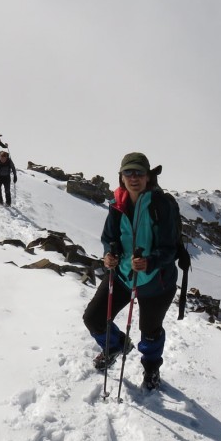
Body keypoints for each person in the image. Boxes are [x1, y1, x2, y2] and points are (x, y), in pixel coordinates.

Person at [82, 152, 179, 391]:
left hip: (157, 282)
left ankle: (151, 368)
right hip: (123, 276)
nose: (133, 177)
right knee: (93, 318)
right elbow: (108, 238)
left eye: (139, 173)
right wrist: (109, 256)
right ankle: (115, 345)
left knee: (150, 331)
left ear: (148, 177)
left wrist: (150, 262)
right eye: (128, 172)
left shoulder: (162, 205)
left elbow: (172, 248)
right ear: (121, 177)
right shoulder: (117, 205)